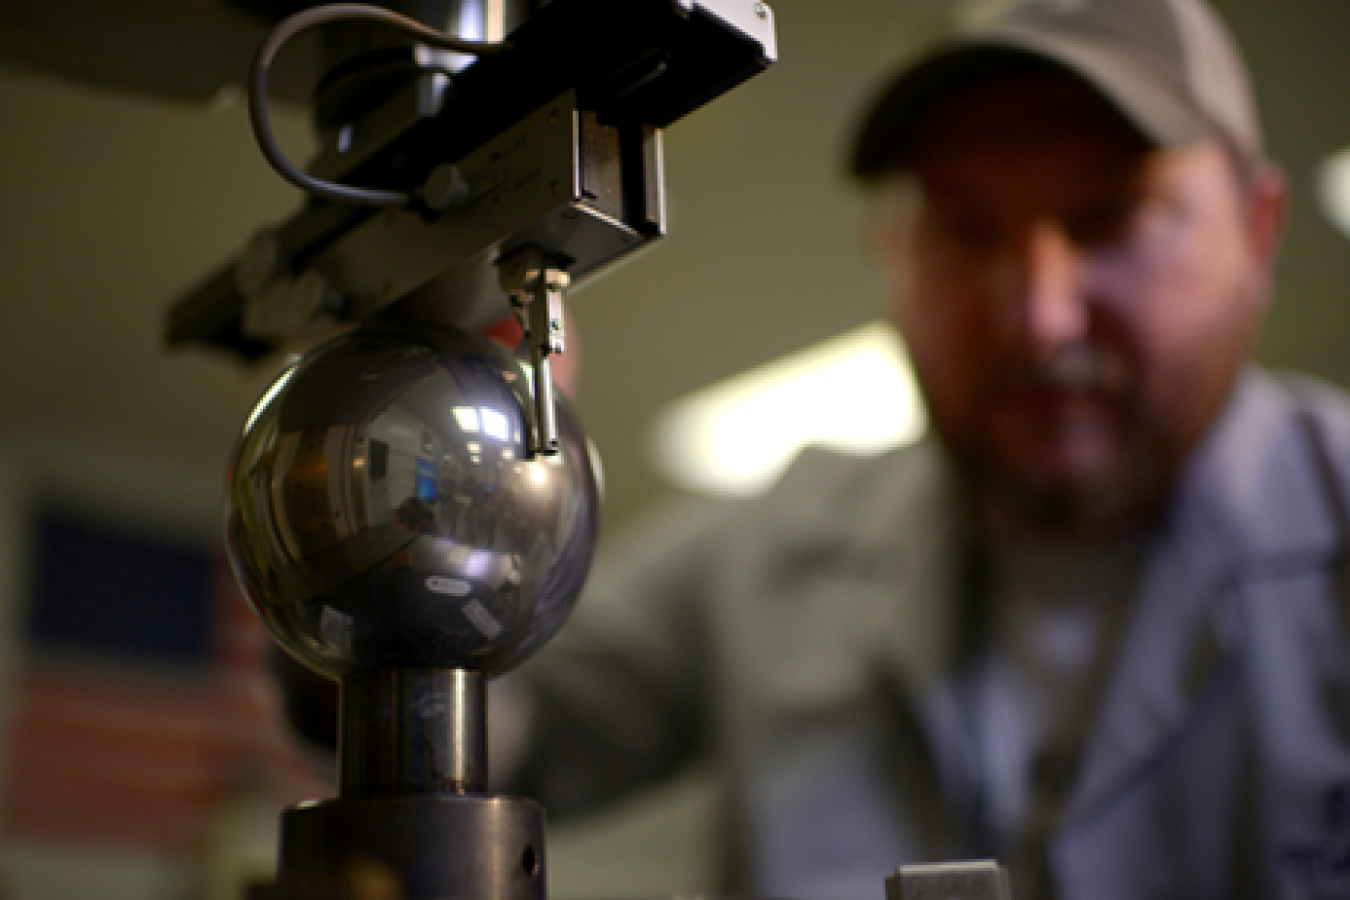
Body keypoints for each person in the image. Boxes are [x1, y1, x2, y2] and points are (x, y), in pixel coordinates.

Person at [502, 0, 1350, 897]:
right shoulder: (768, 550)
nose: (1040, 319)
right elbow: (473, 733)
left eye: (1111, 218)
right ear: (893, 252)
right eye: (965, 230)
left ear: (1259, 230)